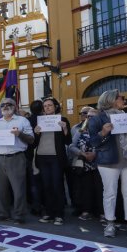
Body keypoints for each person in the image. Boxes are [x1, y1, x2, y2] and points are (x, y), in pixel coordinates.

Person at [88, 89, 127, 239]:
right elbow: (93, 142)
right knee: (110, 193)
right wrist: (103, 133)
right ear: (111, 99)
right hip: (108, 160)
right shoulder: (97, 119)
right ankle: (110, 223)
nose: (124, 100)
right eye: (121, 97)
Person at [0, 98, 35, 224]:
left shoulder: (22, 121)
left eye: (8, 104)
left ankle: (19, 215)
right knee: (0, 189)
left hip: (16, 158)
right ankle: (3, 214)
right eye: (2, 105)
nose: (4, 106)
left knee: (19, 189)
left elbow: (31, 140)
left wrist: (19, 134)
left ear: (14, 107)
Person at [34, 97, 72, 226]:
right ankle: (49, 213)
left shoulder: (63, 120)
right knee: (46, 186)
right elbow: (34, 142)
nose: (47, 107)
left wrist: (65, 129)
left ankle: (59, 214)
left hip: (56, 157)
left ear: (55, 106)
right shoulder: (39, 121)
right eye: (45, 106)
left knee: (57, 185)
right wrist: (36, 133)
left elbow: (68, 141)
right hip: (42, 157)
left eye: (50, 105)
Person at [68, 108, 103, 220]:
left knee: (100, 189)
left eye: (93, 116)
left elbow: (107, 146)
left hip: (100, 164)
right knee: (86, 188)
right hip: (84, 164)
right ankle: (86, 210)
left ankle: (102, 212)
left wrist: (94, 153)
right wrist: (81, 153)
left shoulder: (103, 130)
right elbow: (71, 146)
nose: (90, 118)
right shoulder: (80, 131)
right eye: (88, 116)